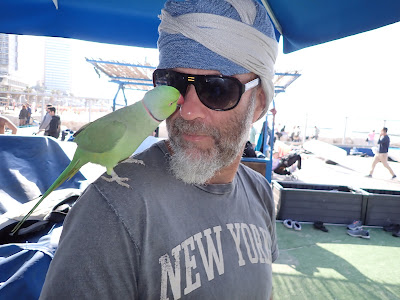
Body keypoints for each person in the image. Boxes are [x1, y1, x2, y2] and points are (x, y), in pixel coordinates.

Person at [40, 1, 279, 299]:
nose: (187, 111)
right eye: (175, 84)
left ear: (258, 104)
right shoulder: (112, 210)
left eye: (217, 89)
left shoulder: (260, 193)